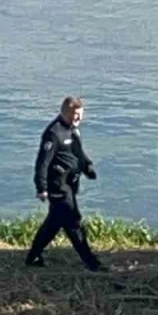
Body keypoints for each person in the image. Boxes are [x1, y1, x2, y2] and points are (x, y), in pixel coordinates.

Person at [25, 97, 107, 272]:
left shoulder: (73, 130)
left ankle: (33, 256)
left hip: (71, 184)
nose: (78, 119)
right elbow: (42, 163)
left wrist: (87, 167)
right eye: (74, 115)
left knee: (54, 223)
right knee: (73, 222)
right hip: (58, 186)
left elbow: (78, 153)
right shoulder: (53, 134)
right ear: (64, 112)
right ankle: (91, 262)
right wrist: (41, 188)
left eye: (80, 115)